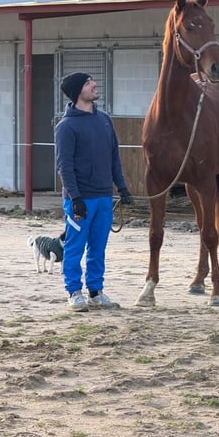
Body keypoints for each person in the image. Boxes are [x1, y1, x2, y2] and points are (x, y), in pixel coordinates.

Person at [54, 72, 133, 312]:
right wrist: (75, 197)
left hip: (104, 197)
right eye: (89, 84)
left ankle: (96, 292)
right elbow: (64, 166)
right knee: (75, 247)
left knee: (98, 247)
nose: (94, 85)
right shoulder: (66, 127)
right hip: (81, 200)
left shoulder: (104, 120)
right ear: (78, 91)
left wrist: (122, 187)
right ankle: (73, 292)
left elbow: (113, 157)